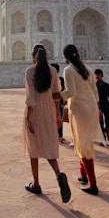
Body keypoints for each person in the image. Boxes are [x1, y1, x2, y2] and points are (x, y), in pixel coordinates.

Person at [23, 44, 71, 203]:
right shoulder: (53, 71)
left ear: (33, 55)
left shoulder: (30, 71)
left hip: (35, 111)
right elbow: (57, 94)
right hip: (50, 110)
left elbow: (30, 97)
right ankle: (58, 175)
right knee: (49, 146)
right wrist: (57, 114)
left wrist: (28, 117)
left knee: (33, 148)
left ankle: (36, 183)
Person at [61, 44, 104, 196]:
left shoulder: (68, 70)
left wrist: (57, 96)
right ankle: (83, 174)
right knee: (84, 142)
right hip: (91, 107)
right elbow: (94, 91)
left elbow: (70, 92)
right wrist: (98, 109)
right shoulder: (88, 69)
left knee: (83, 144)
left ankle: (93, 185)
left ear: (65, 57)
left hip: (79, 109)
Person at [94, 69, 109, 143]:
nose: (97, 76)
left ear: (102, 76)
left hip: (106, 104)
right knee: (101, 122)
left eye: (98, 75)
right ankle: (103, 139)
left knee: (107, 121)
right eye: (96, 75)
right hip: (98, 106)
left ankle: (107, 129)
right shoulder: (94, 86)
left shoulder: (106, 85)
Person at [51, 63, 66, 143]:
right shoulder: (48, 79)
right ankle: (53, 135)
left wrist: (64, 100)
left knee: (60, 119)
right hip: (50, 102)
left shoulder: (61, 79)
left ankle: (60, 136)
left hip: (59, 102)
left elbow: (63, 91)